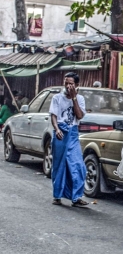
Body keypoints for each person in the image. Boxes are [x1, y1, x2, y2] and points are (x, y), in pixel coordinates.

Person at [49, 72, 89, 207]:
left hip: (72, 133)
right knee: (59, 165)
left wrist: (74, 99)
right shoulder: (57, 98)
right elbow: (53, 116)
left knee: (78, 165)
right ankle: (57, 196)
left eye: (70, 83)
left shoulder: (80, 99)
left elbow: (79, 115)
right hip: (60, 132)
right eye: (65, 83)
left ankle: (76, 197)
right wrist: (57, 129)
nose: (67, 86)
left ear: (77, 85)